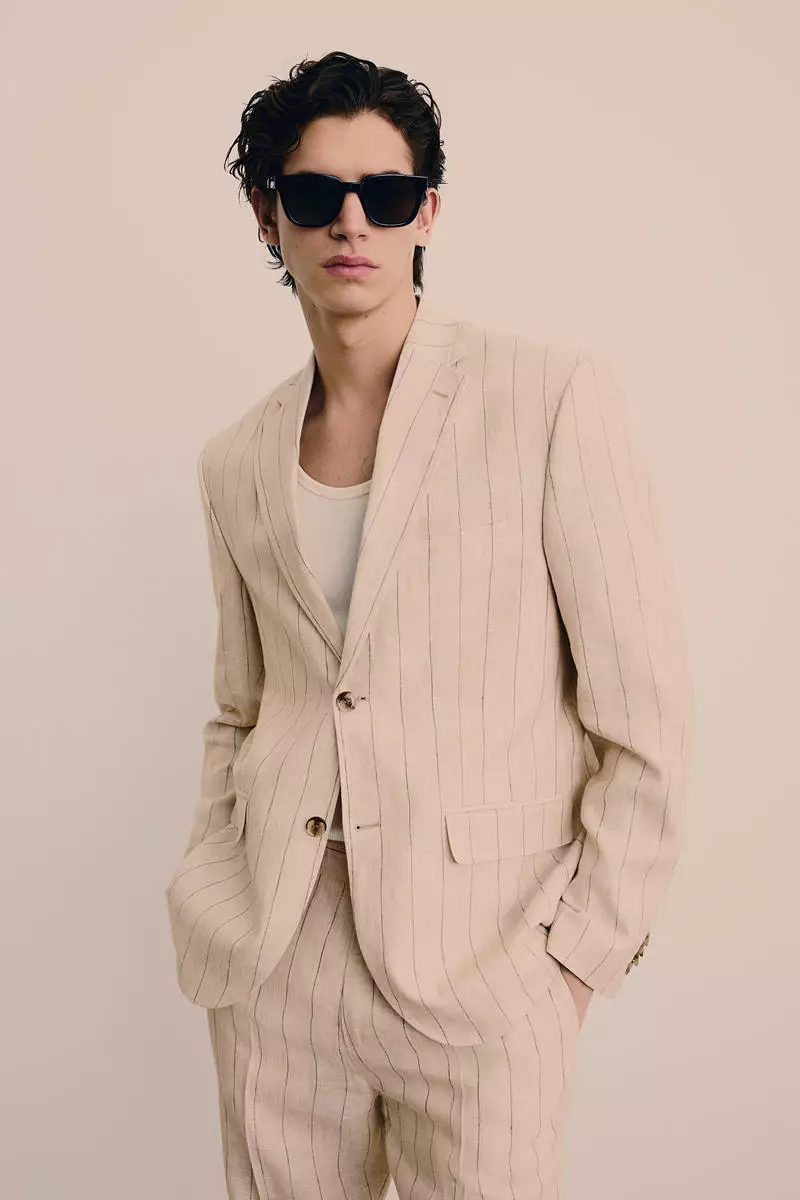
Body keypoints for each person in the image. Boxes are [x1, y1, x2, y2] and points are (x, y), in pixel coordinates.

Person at [164, 49, 693, 1200]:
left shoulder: (545, 398)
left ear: (427, 213)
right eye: (315, 194)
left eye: (386, 193)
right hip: (277, 963)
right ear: (266, 214)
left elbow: (641, 711)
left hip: (484, 966)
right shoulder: (233, 460)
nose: (351, 222)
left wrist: (573, 963)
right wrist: (213, 887)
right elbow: (241, 708)